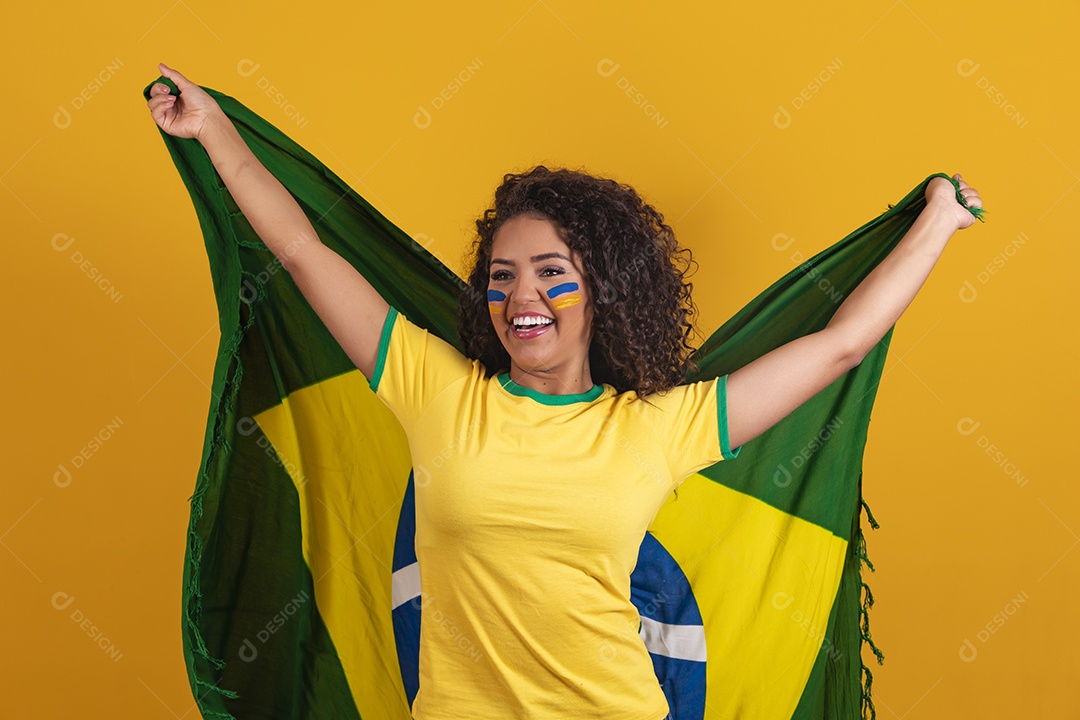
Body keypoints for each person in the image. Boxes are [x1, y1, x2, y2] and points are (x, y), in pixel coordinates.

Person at [147, 62, 983, 720]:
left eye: (554, 275)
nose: (523, 299)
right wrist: (212, 128)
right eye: (502, 278)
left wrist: (938, 220)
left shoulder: (659, 427)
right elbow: (302, 252)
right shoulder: (435, 389)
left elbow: (838, 347)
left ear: (605, 290)